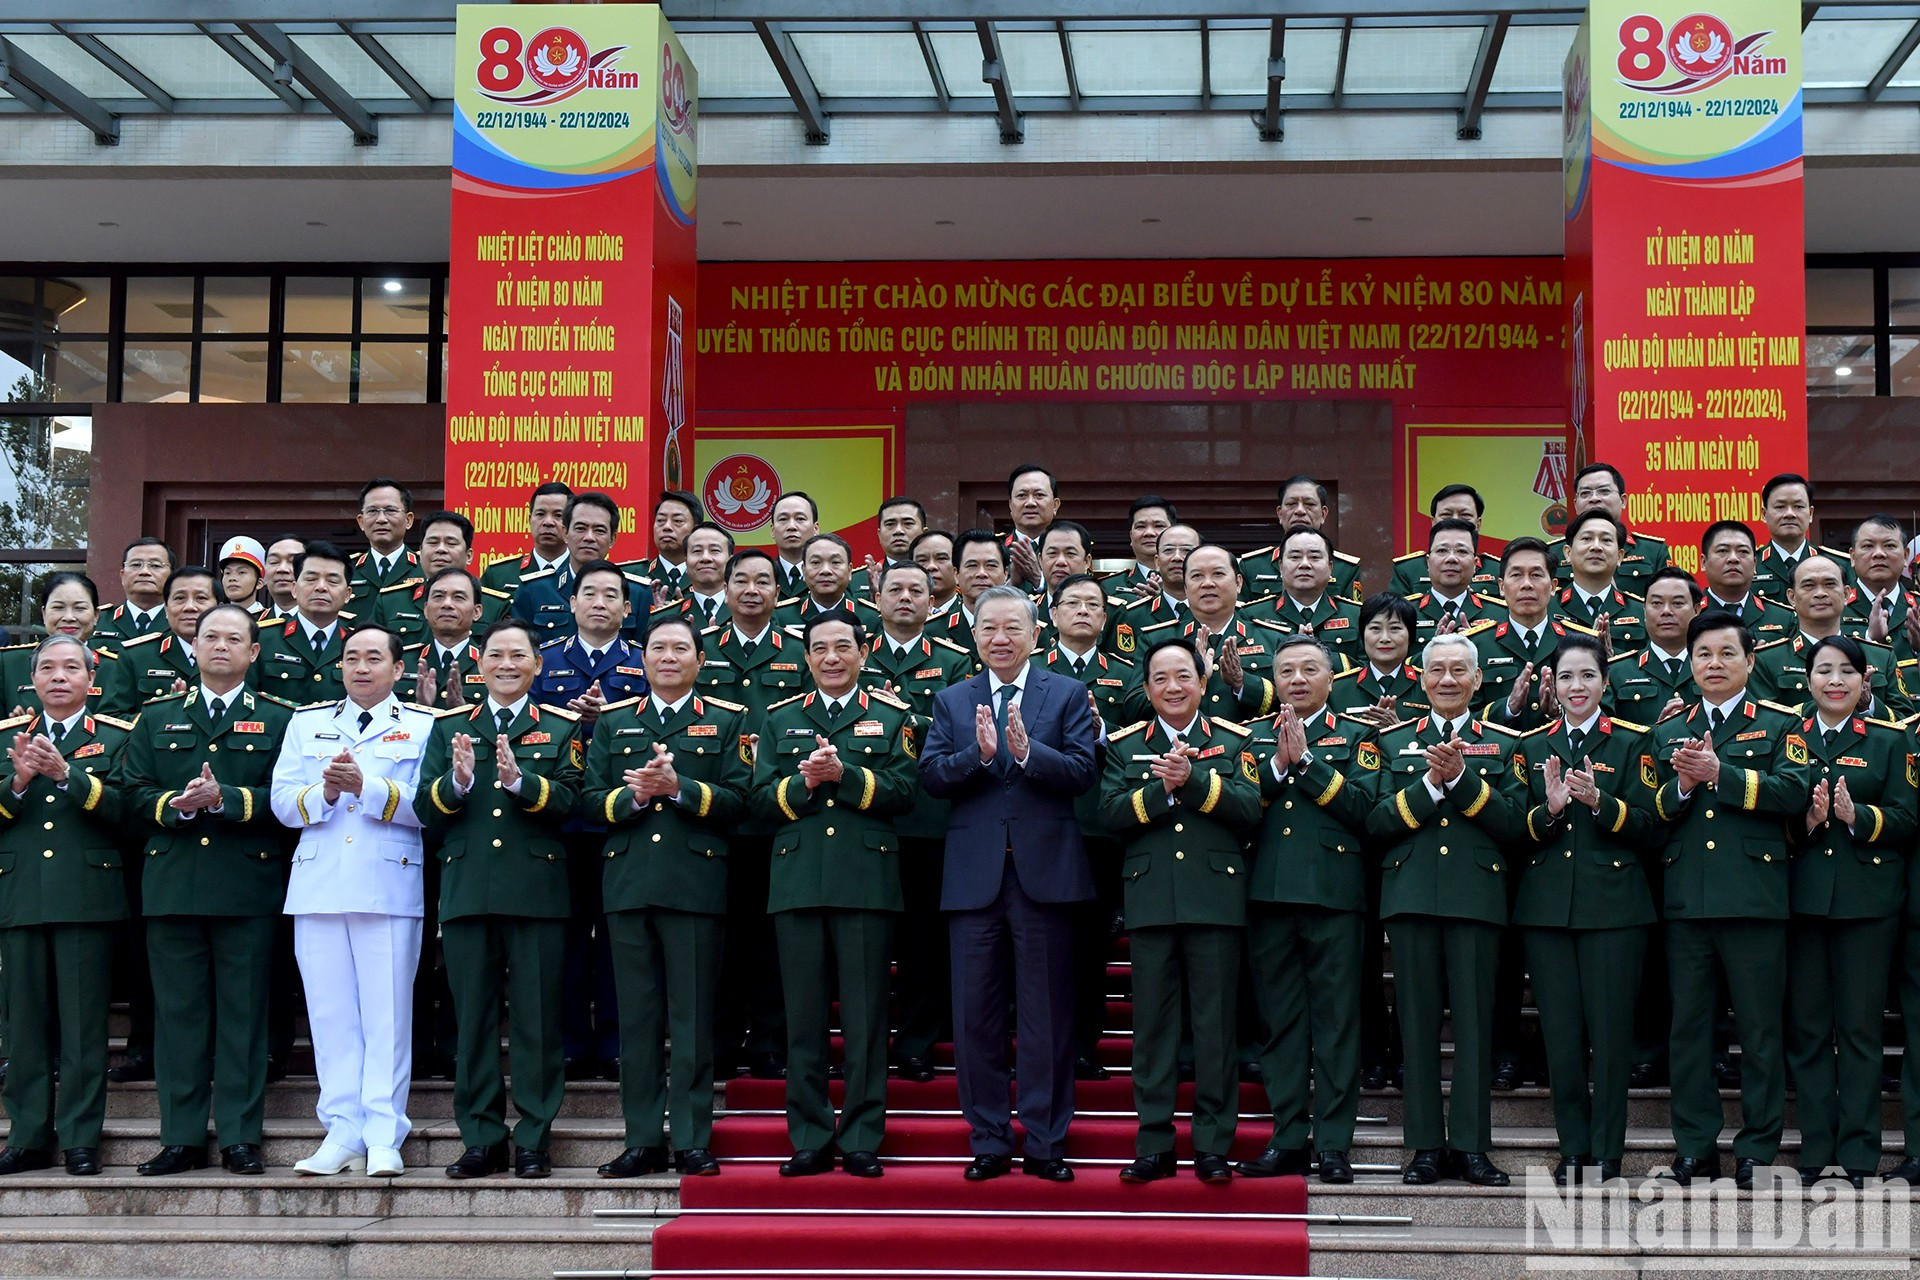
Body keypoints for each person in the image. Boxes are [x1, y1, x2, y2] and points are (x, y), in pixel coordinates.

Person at [919, 584, 1099, 1183]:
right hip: (974, 880)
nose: (1000, 638)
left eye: (1011, 628)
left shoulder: (1068, 694)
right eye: (988, 629)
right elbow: (933, 778)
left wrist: (1027, 754)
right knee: (975, 1016)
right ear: (974, 637)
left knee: (1047, 1016)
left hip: (1044, 875)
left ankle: (1047, 1141)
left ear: (1034, 634)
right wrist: (979, 753)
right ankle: (989, 1139)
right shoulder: (952, 700)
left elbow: (1082, 773)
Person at [115, 604, 296, 1176]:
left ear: (254, 651)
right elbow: (130, 792)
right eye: (209, 636)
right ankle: (183, 1137)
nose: (220, 645)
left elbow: (290, 798)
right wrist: (175, 805)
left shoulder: (279, 718)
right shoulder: (156, 715)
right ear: (193, 648)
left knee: (244, 1016)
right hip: (173, 886)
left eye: (233, 638)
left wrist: (226, 801)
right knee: (179, 1016)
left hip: (248, 886)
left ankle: (241, 1135)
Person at [1646, 610, 1812, 1190]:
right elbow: (1653, 815)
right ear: (1689, 666)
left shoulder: (1779, 724)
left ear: (1749, 662)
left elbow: (1794, 792)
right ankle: (1694, 1147)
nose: (1713, 665)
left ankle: (1756, 1149)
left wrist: (1723, 775)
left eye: (1725, 655)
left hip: (1754, 899)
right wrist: (1685, 785)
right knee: (1689, 1032)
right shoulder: (1668, 731)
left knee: (1761, 1033)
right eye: (1702, 656)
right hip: (1688, 902)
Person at [752, 611, 918, 1179]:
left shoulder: (893, 715)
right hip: (797, 883)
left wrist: (844, 776)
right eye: (818, 648)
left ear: (862, 654)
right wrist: (805, 782)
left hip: (866, 882)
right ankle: (809, 1135)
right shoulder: (777, 718)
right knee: (803, 1019)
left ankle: (864, 1136)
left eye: (841, 647)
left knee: (867, 1020)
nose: (829, 657)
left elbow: (905, 790)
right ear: (805, 658)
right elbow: (758, 799)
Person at [582, 616, 749, 1179]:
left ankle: (694, 1138)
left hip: (695, 886)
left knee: (693, 1019)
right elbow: (587, 800)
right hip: (628, 885)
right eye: (658, 648)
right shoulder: (614, 721)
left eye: (681, 648)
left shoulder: (727, 721)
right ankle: (643, 1139)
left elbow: (739, 801)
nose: (669, 656)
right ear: (643, 659)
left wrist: (681, 791)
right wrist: (630, 799)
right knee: (638, 1020)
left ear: (700, 661)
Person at [415, 619, 582, 1180]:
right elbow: (425, 812)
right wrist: (458, 783)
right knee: (474, 1021)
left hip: (537, 893)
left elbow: (573, 803)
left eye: (518, 656)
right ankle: (481, 1137)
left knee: (537, 1021)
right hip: (467, 890)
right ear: (478, 663)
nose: (506, 665)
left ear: (538, 664)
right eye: (495, 655)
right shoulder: (448, 729)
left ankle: (534, 1136)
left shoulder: (559, 727)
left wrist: (519, 784)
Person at [271, 624, 435, 1179]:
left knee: (387, 1015)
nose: (361, 667)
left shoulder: (422, 725)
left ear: (397, 669)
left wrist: (368, 788)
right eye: (351, 658)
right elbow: (283, 802)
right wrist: (329, 793)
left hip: (388, 883)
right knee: (331, 1014)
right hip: (318, 885)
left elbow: (430, 807)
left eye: (373, 657)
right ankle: (341, 1130)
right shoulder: (307, 722)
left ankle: (384, 1133)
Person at [1366, 632, 1525, 1187]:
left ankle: (1471, 1147)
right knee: (1416, 1027)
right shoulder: (1390, 743)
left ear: (1479, 680)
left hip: (1476, 899)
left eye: (1461, 670)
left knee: (1476, 1028)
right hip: (1410, 897)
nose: (1449, 679)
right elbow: (1376, 820)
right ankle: (1426, 1147)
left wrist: (1461, 780)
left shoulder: (1505, 745)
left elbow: (1514, 825)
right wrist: (1431, 786)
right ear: (1421, 678)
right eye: (1437, 670)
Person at [1102, 636, 1260, 1185]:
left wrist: (1192, 781)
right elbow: (1110, 813)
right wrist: (1163, 794)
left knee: (1215, 1031)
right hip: (1150, 901)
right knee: (1153, 1031)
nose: (1173, 687)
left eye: (1183, 677)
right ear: (1147, 689)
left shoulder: (1235, 740)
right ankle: (1155, 1144)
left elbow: (1248, 808)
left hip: (1215, 900)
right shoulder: (1125, 746)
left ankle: (1213, 1146)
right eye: (1161, 679)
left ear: (1203, 682)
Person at [1511, 632, 1658, 1185]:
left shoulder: (1631, 744)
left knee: (1612, 1037)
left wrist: (1604, 803)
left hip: (1615, 909)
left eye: (1588, 676)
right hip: (1547, 909)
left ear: (1605, 682)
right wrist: (1548, 812)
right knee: (1562, 1036)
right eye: (1567, 676)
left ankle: (1608, 1152)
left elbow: (1651, 825)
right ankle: (1573, 1149)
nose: (1578, 686)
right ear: (1552, 683)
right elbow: (1515, 829)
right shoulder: (1530, 747)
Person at [1239, 635, 1376, 1185]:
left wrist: (1310, 763)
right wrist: (1277, 764)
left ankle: (1335, 1144)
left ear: (1330, 678)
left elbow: (1367, 808)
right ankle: (1288, 1136)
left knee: (1338, 1023)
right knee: (1282, 1025)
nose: (1298, 679)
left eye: (1309, 669)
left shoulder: (1361, 736)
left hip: (1335, 895)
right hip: (1269, 896)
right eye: (1287, 670)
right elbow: (1240, 807)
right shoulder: (1249, 737)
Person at [0, 637, 134, 1176]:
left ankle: (81, 1137)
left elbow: (127, 809)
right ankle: (29, 1136)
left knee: (83, 1028)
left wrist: (67, 776)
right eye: (47, 669)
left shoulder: (117, 736)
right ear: (32, 680)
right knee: (24, 1026)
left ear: (90, 679)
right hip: (21, 894)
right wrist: (18, 783)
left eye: (70, 668)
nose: (59, 677)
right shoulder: (9, 737)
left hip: (87, 896)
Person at [1785, 635, 1915, 1187]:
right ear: (1808, 679)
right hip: (1804, 901)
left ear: (1865, 683)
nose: (1834, 680)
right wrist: (1807, 826)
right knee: (1810, 1030)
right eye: (1823, 670)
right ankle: (1817, 1147)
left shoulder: (1892, 740)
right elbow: (1771, 813)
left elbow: (1908, 819)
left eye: (1846, 672)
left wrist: (1859, 816)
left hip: (1869, 903)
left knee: (1860, 1031)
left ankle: (1860, 1152)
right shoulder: (1786, 736)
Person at [530, 560, 652, 1081]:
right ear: (572, 604)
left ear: (628, 609)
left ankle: (619, 1043)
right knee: (569, 939)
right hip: (562, 824)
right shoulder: (545, 661)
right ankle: (574, 1044)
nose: (599, 603)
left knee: (623, 939)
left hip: (625, 820)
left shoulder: (646, 662)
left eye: (611, 595)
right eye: (589, 594)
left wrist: (610, 722)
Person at [859, 561, 973, 1083]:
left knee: (925, 942)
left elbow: (962, 728)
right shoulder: (855, 655)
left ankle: (917, 1043)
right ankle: (867, 1043)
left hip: (929, 821)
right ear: (876, 596)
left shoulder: (953, 660)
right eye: (895, 589)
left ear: (933, 601)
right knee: (870, 943)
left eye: (917, 591)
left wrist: (896, 716)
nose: (905, 598)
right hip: (867, 820)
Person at [698, 550, 807, 1081]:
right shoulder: (701, 648)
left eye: (763, 580)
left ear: (777, 590)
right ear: (725, 585)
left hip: (776, 817)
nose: (751, 589)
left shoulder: (798, 649)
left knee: (771, 941)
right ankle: (719, 1041)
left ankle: (768, 1042)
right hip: (714, 815)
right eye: (740, 579)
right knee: (718, 939)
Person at [1036, 573, 1147, 1079]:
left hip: (1099, 831)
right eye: (1072, 603)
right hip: (1041, 826)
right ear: (1052, 615)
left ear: (1105, 619)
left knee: (1090, 945)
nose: (1082, 611)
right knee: (1036, 941)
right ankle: (1036, 1044)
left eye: (1093, 605)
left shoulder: (1125, 678)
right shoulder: (1029, 672)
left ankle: (1084, 1043)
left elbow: (1140, 749)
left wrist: (1100, 734)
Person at [1753, 556, 1908, 717]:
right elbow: (1764, 727)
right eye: (1809, 585)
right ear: (1792, 597)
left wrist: (1867, 704)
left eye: (1830, 584)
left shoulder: (1881, 657)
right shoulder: (1767, 660)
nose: (1820, 593)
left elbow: (1906, 723)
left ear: (1846, 594)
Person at [1139, 545, 1280, 721]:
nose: (1207, 583)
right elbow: (1135, 710)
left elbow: (1291, 705)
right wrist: (1192, 679)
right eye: (1197, 576)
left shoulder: (1273, 639)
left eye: (1218, 574)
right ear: (1185, 587)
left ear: (1238, 583)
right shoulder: (1156, 640)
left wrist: (1242, 682)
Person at [510, 493, 653, 645]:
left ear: (612, 539)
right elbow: (521, 652)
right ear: (565, 533)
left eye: (599, 530)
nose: (589, 537)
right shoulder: (533, 590)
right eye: (580, 528)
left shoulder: (637, 593)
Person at [1473, 538, 1583, 734]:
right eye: (1516, 575)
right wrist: (1508, 708)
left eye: (1536, 575)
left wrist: (1559, 713)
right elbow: (1461, 718)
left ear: (1553, 587)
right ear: (1501, 587)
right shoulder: (1476, 646)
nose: (1526, 584)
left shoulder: (1579, 644)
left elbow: (1604, 714)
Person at [375, 512, 511, 646]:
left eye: (451, 543)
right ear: (420, 553)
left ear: (469, 555)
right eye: (433, 542)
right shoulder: (390, 602)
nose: (441, 549)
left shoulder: (495, 606)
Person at [100, 566, 219, 718]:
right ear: (166, 609)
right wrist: (162, 713)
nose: (190, 607)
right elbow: (112, 719)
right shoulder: (137, 656)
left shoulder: (239, 653)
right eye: (179, 598)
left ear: (219, 607)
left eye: (201, 598)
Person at [0, 572, 116, 716]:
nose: (68, 617)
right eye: (58, 608)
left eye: (79, 608)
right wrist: (15, 729)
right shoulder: (8, 663)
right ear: (44, 613)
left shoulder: (116, 667)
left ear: (96, 616)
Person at [254, 542, 354, 705]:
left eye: (332, 581)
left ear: (347, 594)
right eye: (311, 579)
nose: (321, 587)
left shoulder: (357, 643)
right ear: (294, 588)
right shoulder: (263, 639)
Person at [1549, 464, 1669, 594]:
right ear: (1575, 505)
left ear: (1623, 501)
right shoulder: (1552, 552)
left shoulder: (1653, 551)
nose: (1594, 498)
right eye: (1585, 493)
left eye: (1604, 491)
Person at [1240, 477, 1363, 603]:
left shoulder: (1346, 569)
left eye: (1309, 504)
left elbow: (1352, 616)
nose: (1300, 511)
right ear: (1280, 514)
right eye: (1291, 504)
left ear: (1323, 514)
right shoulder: (1251, 567)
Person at [1607, 567, 1703, 727]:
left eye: (1677, 603)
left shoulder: (1714, 667)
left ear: (1697, 610)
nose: (1666, 611)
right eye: (1657, 603)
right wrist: (1657, 733)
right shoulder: (1616, 672)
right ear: (1644, 611)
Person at [1264, 526, 1363, 664]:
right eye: (1295, 557)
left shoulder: (1357, 615)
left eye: (1314, 557)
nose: (1304, 564)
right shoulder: (1254, 616)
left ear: (1330, 567)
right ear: (1281, 567)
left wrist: (1321, 655)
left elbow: (1371, 669)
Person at [1555, 510, 1647, 654]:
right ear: (1568, 553)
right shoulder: (1548, 608)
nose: (1596, 547)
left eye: (1606, 540)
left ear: (1620, 556)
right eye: (1586, 539)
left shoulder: (1641, 612)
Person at [1331, 593, 1430, 727]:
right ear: (1363, 635)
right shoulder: (1337, 689)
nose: (1385, 638)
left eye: (1395, 628)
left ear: (1410, 636)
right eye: (1375, 629)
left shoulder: (1428, 687)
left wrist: (1397, 729)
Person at [400, 568, 489, 710]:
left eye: (458, 597)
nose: (447, 604)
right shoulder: (403, 661)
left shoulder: (490, 664)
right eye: (438, 596)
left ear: (476, 612)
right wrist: (420, 709)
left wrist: (462, 712)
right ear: (426, 609)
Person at [1389, 485, 1500, 596]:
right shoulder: (1408, 570)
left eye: (1465, 515)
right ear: (1433, 522)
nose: (1455, 520)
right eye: (1446, 515)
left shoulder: (1498, 570)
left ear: (1478, 524)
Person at [1409, 518, 1506, 644]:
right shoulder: (1406, 612)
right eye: (1442, 551)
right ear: (1428, 561)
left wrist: (1475, 648)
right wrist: (1433, 650)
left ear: (1475, 564)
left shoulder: (1500, 614)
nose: (1451, 558)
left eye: (1461, 551)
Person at [1753, 473, 1848, 601]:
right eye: (1780, 507)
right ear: (1764, 514)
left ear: (1810, 513)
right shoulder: (1751, 565)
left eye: (1798, 506)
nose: (1789, 514)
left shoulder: (1838, 565)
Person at [1699, 521, 1793, 641]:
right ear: (1703, 562)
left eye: (1743, 552)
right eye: (1722, 551)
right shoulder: (1689, 615)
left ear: (1754, 564)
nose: (1733, 559)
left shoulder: (1783, 618)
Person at [1843, 514, 1920, 661]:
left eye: (1889, 546)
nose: (1879, 553)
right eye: (1868, 546)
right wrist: (1869, 639)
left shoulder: (1917, 606)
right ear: (1852, 557)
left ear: (1905, 556)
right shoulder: (1835, 607)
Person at [479, 482, 573, 596]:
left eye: (558, 515)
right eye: (540, 514)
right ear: (529, 519)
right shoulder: (498, 574)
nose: (548, 522)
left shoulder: (584, 574)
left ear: (571, 522)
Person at [774, 533, 879, 628]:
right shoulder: (780, 617)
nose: (825, 570)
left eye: (835, 562)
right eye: (816, 562)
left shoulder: (872, 617)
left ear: (849, 571)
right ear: (804, 571)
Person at [348, 479, 421, 613]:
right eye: (372, 511)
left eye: (390, 510)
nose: (381, 519)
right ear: (361, 522)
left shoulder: (425, 569)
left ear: (408, 520)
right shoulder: (346, 570)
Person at [91, 537, 174, 647]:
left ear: (172, 577)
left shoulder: (182, 622)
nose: (144, 572)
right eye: (136, 565)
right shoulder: (97, 620)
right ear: (122, 575)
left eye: (155, 565)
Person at [1121, 525, 1199, 636]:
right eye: (1168, 550)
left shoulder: (1218, 612)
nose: (1177, 557)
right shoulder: (1132, 616)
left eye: (1186, 550)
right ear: (1157, 562)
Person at [651, 523, 732, 629]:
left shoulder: (746, 607)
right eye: (697, 551)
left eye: (715, 551)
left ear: (730, 561)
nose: (705, 558)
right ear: (686, 561)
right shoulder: (669, 614)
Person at [626, 491, 703, 601]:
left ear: (696, 530)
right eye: (660, 520)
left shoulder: (709, 576)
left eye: (677, 521)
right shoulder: (631, 576)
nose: (667, 527)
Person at [850, 496, 927, 601]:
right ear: (879, 534)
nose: (898, 531)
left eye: (908, 524)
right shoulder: (855, 580)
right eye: (890, 524)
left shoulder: (937, 575)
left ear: (924, 533)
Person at [1003, 464, 1061, 590]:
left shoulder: (1069, 549)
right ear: (1011, 506)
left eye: (1039, 495)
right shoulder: (995, 548)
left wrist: (1039, 580)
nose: (1030, 503)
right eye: (1021, 496)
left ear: (1055, 505)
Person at [1116, 496, 1176, 597]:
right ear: (1131, 536)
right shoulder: (1109, 586)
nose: (1149, 533)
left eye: (1158, 526)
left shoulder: (1190, 583)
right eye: (1141, 526)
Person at [770, 493, 821, 598]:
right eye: (783, 519)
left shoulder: (829, 576)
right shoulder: (763, 577)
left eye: (800, 519)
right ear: (772, 530)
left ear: (816, 528)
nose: (791, 527)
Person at [910, 529, 961, 618]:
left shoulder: (973, 614)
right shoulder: (900, 614)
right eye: (922, 560)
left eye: (941, 558)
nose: (931, 566)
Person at [217, 537, 269, 616]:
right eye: (227, 573)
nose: (232, 578)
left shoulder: (270, 620)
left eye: (241, 572)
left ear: (259, 583)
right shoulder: (214, 618)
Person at [263, 538, 305, 618]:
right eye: (274, 562)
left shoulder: (329, 624)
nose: (282, 569)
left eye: (293, 562)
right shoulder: (252, 624)